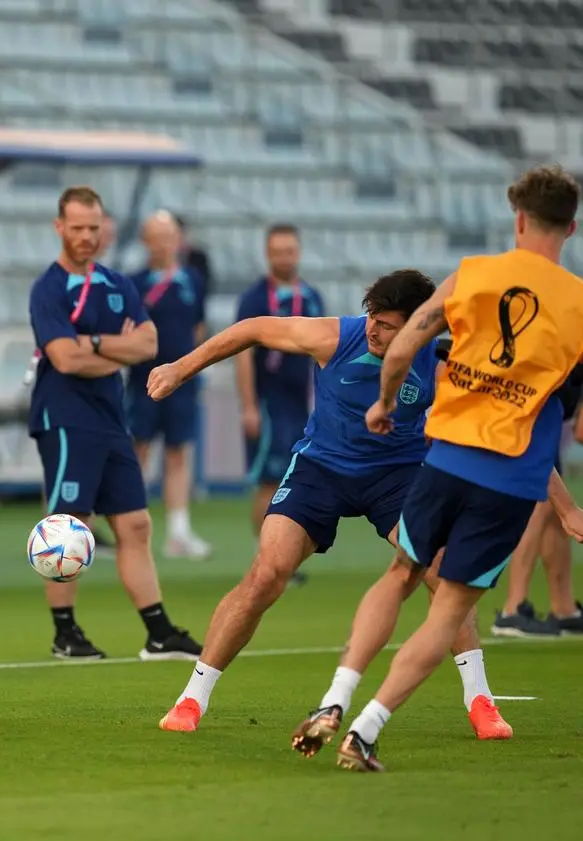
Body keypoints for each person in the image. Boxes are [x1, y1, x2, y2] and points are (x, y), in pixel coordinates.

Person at [150, 269, 509, 741]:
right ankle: (192, 698)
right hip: (321, 468)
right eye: (373, 318)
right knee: (267, 573)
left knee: (443, 572)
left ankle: (480, 699)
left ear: (419, 325)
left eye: (389, 326)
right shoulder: (336, 337)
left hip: (397, 475)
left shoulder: (441, 360)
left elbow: (492, 419)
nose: (375, 331)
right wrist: (180, 369)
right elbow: (253, 328)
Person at [337, 165, 583, 772]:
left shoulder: (472, 276)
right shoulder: (578, 306)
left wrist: (385, 403)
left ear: (518, 219)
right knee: (448, 610)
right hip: (511, 482)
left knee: (400, 572)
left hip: (445, 460)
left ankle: (336, 697)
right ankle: (366, 728)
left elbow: (403, 345)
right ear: (571, 228)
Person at [28, 185, 202, 661]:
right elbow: (64, 359)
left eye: (94, 227)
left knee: (136, 525)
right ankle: (65, 633)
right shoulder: (48, 288)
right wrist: (115, 349)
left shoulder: (118, 283)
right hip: (65, 419)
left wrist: (92, 344)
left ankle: (159, 633)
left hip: (110, 417)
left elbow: (149, 345)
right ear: (59, 227)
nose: (87, 236)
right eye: (77, 227)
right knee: (67, 527)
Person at [236, 224, 324, 586]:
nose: (284, 258)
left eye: (289, 251)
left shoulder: (312, 297)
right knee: (270, 482)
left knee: (295, 480)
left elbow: (324, 349)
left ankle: (281, 561)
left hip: (301, 406)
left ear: (298, 252)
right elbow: (242, 354)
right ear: (267, 254)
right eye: (277, 252)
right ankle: (266, 562)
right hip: (269, 406)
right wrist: (249, 406)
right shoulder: (254, 299)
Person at [126, 209, 211, 559]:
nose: (164, 244)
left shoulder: (192, 279)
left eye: (170, 237)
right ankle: (130, 525)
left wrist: (187, 366)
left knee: (179, 453)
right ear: (145, 242)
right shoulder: (133, 283)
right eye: (157, 237)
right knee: (138, 452)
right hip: (142, 382)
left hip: (183, 383)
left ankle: (178, 532)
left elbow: (199, 327)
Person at [492, 362, 583, 637]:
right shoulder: (564, 347)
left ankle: (565, 609)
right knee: (541, 501)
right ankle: (513, 609)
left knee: (555, 509)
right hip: (531, 413)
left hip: (541, 412)